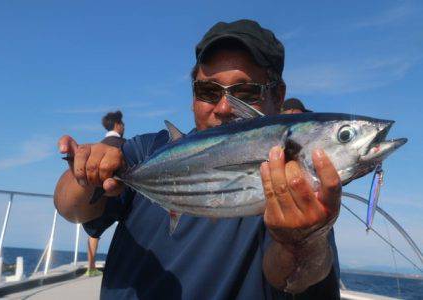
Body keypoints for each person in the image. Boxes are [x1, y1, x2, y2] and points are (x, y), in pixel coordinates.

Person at [55, 20, 342, 299]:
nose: (224, 107)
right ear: (193, 95)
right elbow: (71, 208)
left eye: (245, 92)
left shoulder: (293, 180)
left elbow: (290, 278)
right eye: (208, 91)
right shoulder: (147, 150)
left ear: (278, 96)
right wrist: (86, 172)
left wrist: (300, 242)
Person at [86, 111, 126, 277]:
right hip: (120, 200)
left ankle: (91, 266)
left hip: (99, 201)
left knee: (94, 233)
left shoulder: (97, 146)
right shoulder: (125, 145)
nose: (124, 127)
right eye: (122, 124)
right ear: (117, 125)